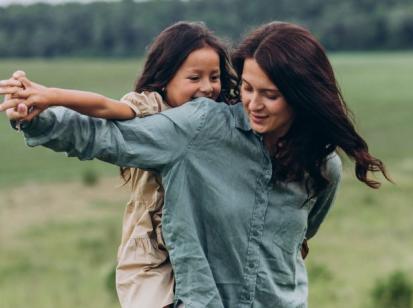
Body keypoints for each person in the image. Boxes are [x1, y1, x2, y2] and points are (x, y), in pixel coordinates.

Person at [1, 22, 389, 307]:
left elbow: (300, 241)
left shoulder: (323, 169)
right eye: (249, 88)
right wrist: (36, 117)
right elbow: (108, 137)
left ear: (302, 97)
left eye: (269, 95)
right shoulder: (201, 127)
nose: (252, 103)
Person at [1, 21, 238, 308]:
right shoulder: (151, 106)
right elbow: (104, 108)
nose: (207, 87)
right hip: (152, 252)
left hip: (201, 248)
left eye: (214, 77)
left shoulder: (220, 119)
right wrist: (50, 98)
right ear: (165, 77)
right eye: (194, 78)